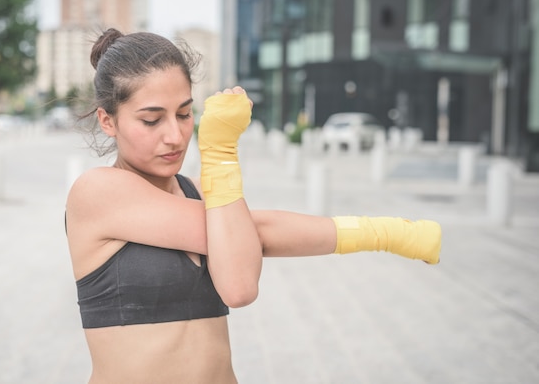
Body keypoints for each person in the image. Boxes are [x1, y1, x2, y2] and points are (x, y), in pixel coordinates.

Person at [65, 28, 441, 384]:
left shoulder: (195, 192)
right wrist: (220, 152)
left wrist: (388, 233)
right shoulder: (97, 192)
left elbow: (246, 251)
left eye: (183, 114)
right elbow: (243, 284)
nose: (176, 135)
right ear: (107, 121)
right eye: (151, 119)